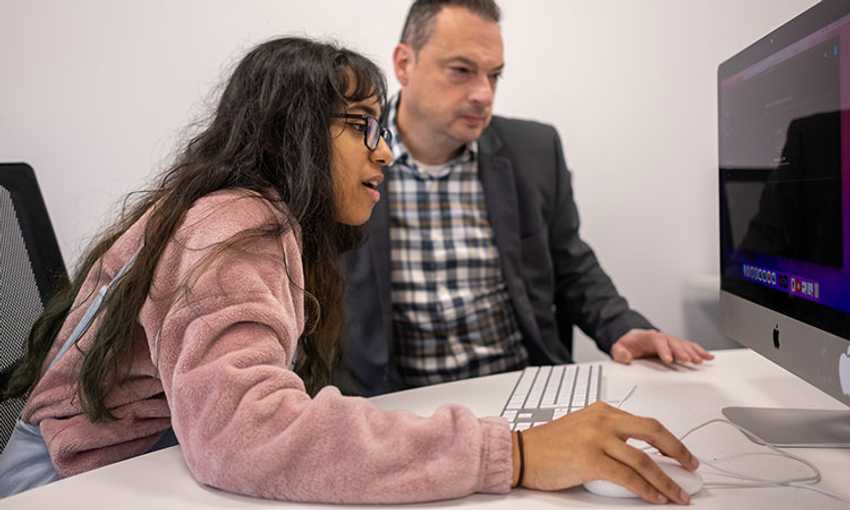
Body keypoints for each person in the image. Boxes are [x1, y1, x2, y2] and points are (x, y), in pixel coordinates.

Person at [0, 36, 696, 505]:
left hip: (129, 459)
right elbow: (245, 433)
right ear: (295, 132)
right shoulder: (237, 225)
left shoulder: (234, 210)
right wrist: (509, 455)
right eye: (361, 127)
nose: (383, 153)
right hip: (76, 484)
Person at [337, 0, 714, 397]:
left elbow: (572, 266)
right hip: (400, 406)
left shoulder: (533, 150)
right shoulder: (348, 156)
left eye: (494, 76)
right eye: (462, 71)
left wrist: (624, 327)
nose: (483, 94)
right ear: (404, 64)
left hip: (523, 389)